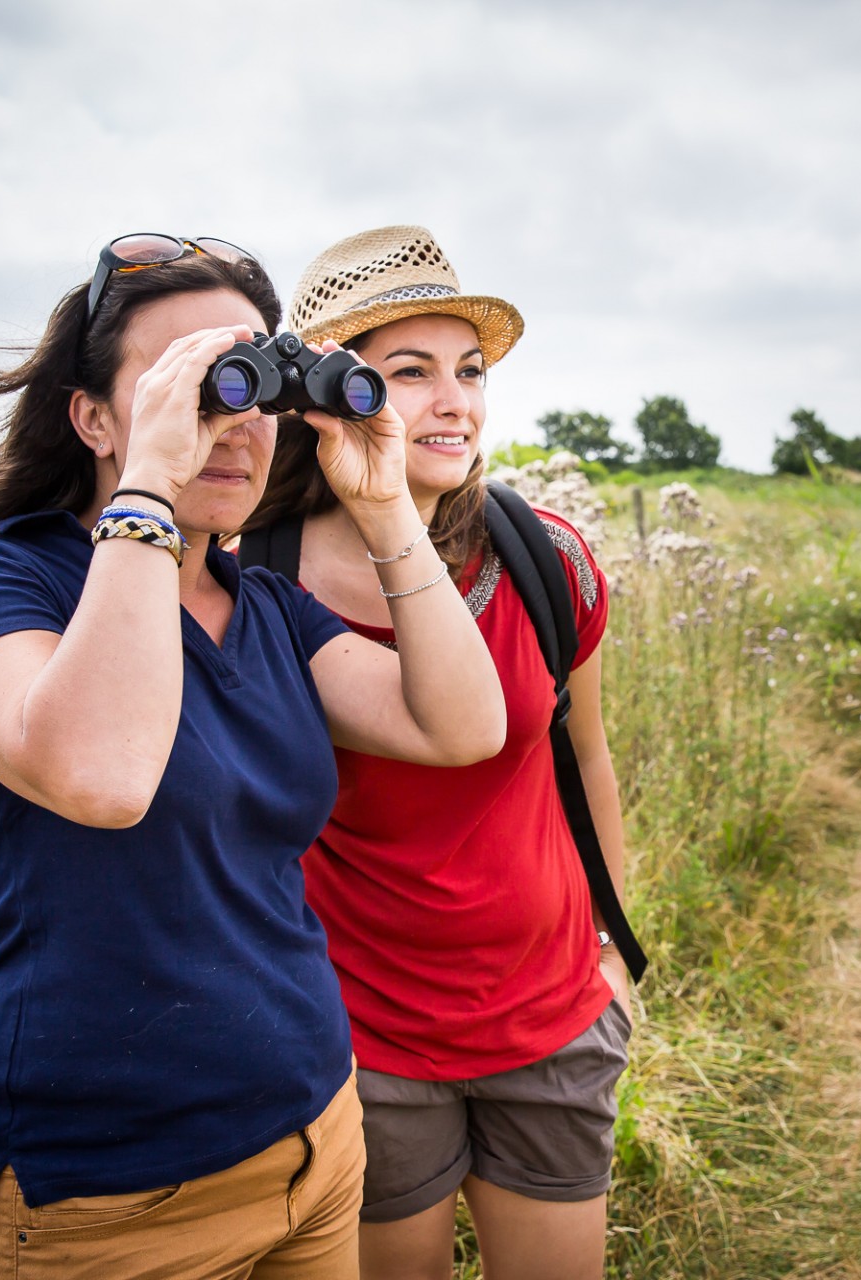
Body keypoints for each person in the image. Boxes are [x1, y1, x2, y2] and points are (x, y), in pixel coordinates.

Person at [0, 234, 506, 1280]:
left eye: (249, 386)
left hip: (315, 1141)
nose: (232, 426)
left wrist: (385, 501)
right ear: (91, 418)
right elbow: (104, 775)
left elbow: (461, 726)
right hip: (105, 1193)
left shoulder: (262, 605)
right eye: (189, 385)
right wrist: (152, 489)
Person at [243, 226, 634, 1280]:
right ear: (321, 395)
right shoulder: (252, 584)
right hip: (362, 1041)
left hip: (550, 1020)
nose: (454, 400)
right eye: (406, 372)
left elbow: (584, 761)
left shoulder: (545, 560)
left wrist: (612, 951)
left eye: (468, 370)